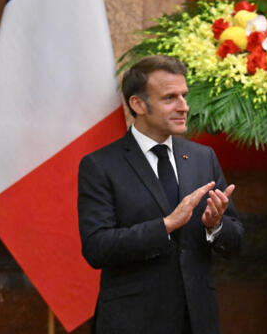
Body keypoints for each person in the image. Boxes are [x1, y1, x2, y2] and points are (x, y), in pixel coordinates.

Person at [77, 55, 243, 334]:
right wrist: (166, 225)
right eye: (170, 98)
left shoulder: (203, 158)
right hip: (133, 322)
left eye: (184, 96)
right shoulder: (101, 165)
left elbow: (236, 241)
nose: (184, 106)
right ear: (138, 104)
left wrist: (215, 226)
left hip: (197, 320)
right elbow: (97, 247)